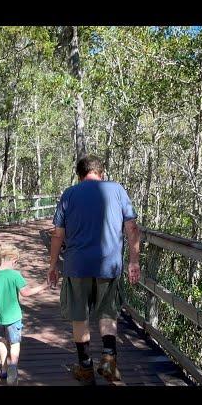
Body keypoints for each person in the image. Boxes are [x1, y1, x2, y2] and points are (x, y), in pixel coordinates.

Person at [48, 155, 141, 385]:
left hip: (76, 265)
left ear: (79, 175)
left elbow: (58, 234)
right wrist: (134, 261)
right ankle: (109, 358)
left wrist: (52, 266)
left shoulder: (69, 194)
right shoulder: (117, 190)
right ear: (102, 173)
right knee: (108, 313)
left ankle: (85, 367)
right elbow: (132, 227)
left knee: (79, 317)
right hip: (109, 265)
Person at [0, 244, 48, 385]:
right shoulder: (15, 275)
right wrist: (43, 286)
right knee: (14, 343)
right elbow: (25, 293)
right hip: (13, 316)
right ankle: (13, 366)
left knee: (2, 341)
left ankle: (3, 369)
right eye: (16, 262)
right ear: (13, 259)